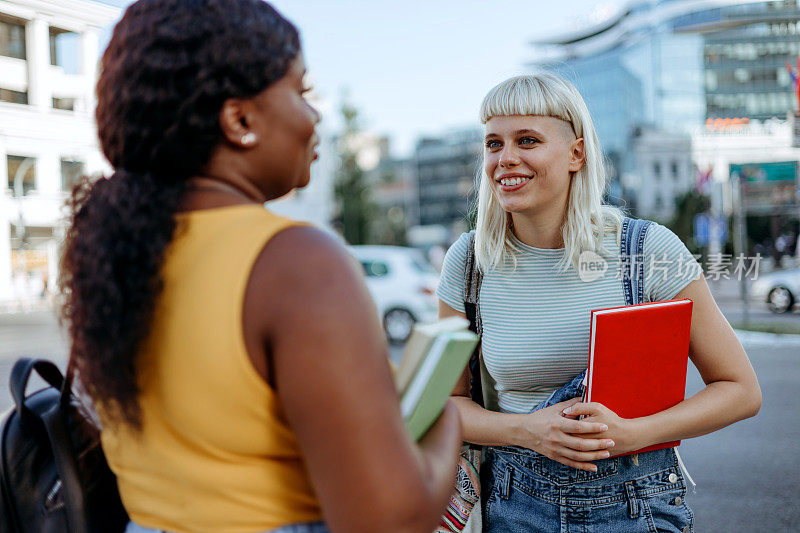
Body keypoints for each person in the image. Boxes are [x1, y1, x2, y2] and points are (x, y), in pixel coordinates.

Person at [58, 1, 461, 532]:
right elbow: (390, 521)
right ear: (240, 119)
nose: (314, 117)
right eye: (302, 92)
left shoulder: (114, 251)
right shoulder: (295, 262)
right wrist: (447, 418)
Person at [436, 74, 761, 532]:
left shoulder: (646, 251)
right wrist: (527, 431)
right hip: (513, 507)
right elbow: (445, 405)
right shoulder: (470, 261)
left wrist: (634, 434)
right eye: (494, 143)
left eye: (527, 140)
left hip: (636, 507)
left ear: (577, 153)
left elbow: (740, 390)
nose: (506, 158)